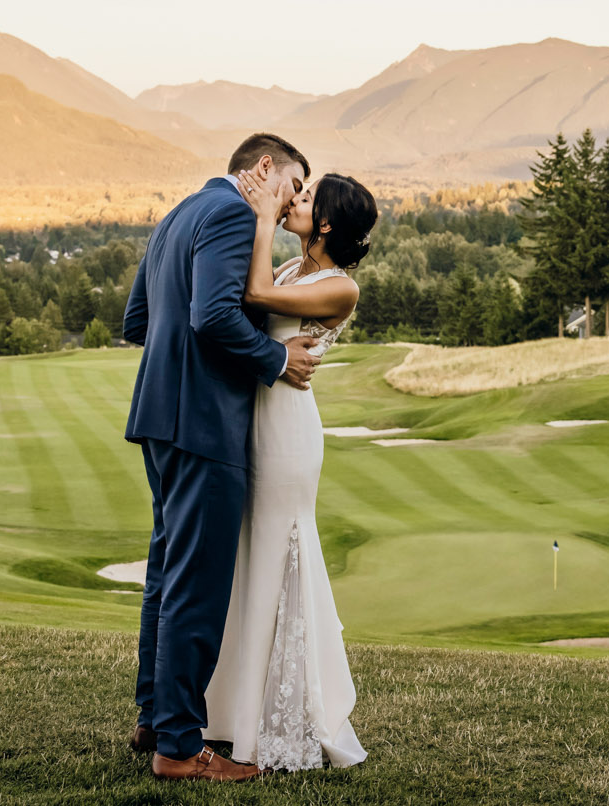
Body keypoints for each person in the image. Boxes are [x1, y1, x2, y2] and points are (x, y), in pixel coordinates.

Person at [123, 133, 320, 783]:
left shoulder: (180, 212)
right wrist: (275, 358)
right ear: (263, 168)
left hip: (159, 417)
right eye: (292, 185)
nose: (292, 201)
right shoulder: (236, 214)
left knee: (167, 573)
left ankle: (156, 717)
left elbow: (138, 321)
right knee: (197, 586)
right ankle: (180, 747)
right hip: (205, 422)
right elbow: (212, 316)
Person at [203, 169, 378, 771]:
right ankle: (231, 711)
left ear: (325, 222)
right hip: (256, 421)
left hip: (288, 434)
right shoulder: (292, 268)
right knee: (250, 557)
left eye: (303, 199)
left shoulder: (339, 288)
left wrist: (260, 215)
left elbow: (254, 297)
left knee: (280, 553)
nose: (293, 202)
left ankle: (284, 717)